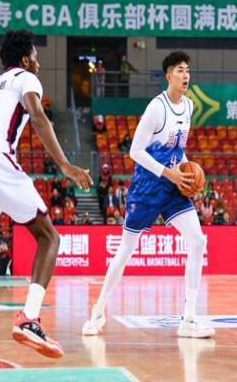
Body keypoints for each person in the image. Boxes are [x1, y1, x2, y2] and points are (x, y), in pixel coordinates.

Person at [0, 29, 92, 357]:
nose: (38, 62)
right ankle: (29, 318)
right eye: (36, 56)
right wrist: (65, 164)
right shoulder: (26, 78)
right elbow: (38, 116)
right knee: (49, 237)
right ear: (26, 59)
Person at [82, 51, 214, 339]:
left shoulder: (189, 106)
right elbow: (135, 151)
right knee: (125, 252)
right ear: (168, 76)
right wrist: (170, 173)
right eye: (180, 70)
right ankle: (98, 311)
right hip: (147, 187)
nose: (186, 75)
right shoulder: (156, 108)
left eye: (188, 70)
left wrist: (187, 174)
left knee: (197, 241)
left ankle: (189, 318)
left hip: (172, 187)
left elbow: (177, 151)